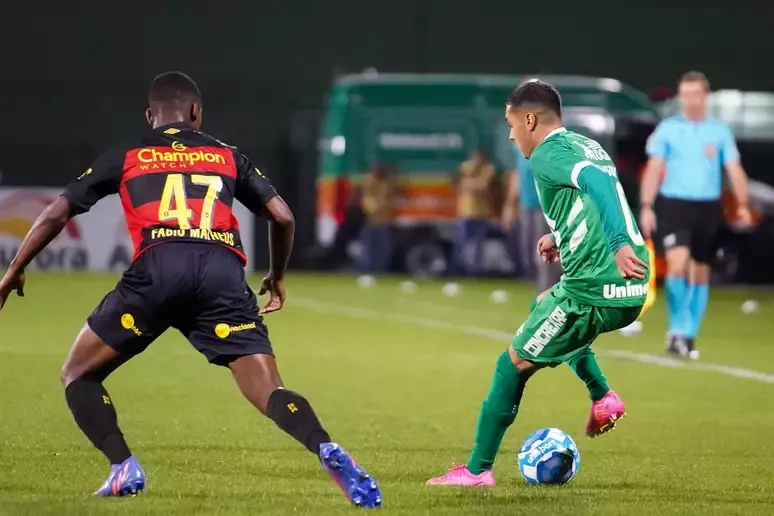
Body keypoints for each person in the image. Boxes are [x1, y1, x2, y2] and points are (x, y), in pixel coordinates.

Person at [0, 72, 382, 508]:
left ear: (150, 116)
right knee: (271, 390)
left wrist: (14, 269)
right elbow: (283, 216)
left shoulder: (129, 153)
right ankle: (323, 445)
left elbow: (56, 214)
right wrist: (277, 275)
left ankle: (123, 465)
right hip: (221, 274)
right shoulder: (227, 155)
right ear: (196, 112)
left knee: (78, 373)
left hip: (158, 271)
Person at [427, 80, 649, 487]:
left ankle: (477, 471)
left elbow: (600, 187)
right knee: (544, 302)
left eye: (512, 125)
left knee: (510, 366)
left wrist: (617, 244)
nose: (512, 136)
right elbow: (591, 199)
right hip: (630, 285)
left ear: (530, 119)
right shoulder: (586, 145)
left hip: (595, 288)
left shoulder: (547, 154)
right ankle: (602, 396)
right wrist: (559, 236)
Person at [639, 71, 751, 360]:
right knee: (677, 264)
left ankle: (689, 332)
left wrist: (742, 204)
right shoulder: (668, 129)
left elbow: (733, 169)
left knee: (700, 270)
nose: (689, 100)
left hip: (707, 207)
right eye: (685, 95)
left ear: (705, 96)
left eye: (695, 94)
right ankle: (677, 328)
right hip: (675, 204)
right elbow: (654, 168)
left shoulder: (719, 132)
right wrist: (647, 205)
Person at [501, 147, 562, 291]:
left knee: (543, 254)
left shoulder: (549, 147)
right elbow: (517, 175)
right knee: (528, 255)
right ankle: (543, 289)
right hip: (526, 206)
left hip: (546, 207)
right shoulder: (520, 148)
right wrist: (510, 205)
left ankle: (547, 292)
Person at [450, 150, 495, 275]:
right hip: (465, 213)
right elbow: (458, 184)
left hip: (481, 214)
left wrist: (468, 184)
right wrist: (472, 182)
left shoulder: (488, 169)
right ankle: (458, 269)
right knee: (460, 243)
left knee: (478, 246)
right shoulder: (465, 168)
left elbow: (483, 187)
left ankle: (476, 271)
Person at [358, 163, 396, 273]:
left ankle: (379, 270)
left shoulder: (384, 183)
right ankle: (367, 269)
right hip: (374, 221)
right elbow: (370, 202)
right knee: (370, 248)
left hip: (383, 221)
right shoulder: (371, 182)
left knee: (381, 248)